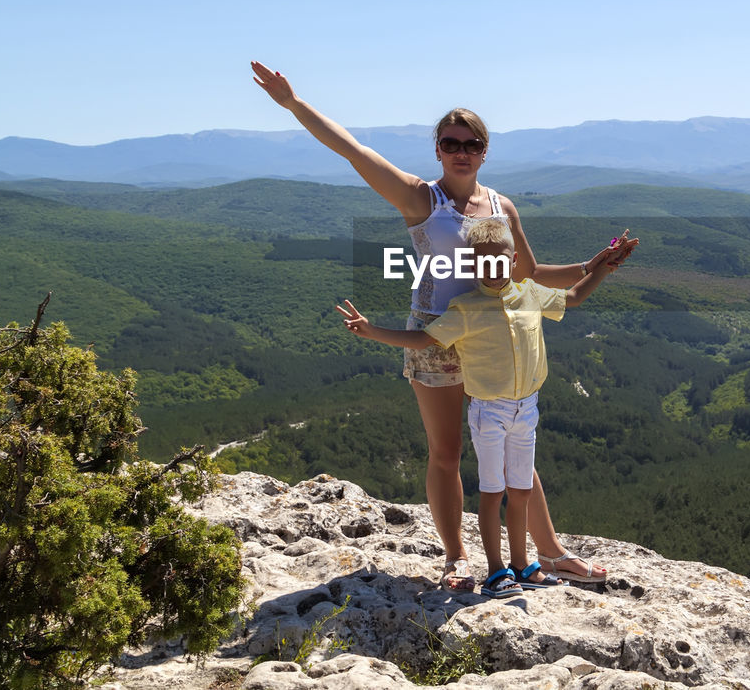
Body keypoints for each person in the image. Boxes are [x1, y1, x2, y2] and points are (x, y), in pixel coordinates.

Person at [251, 61, 637, 590]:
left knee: (512, 441)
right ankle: (457, 557)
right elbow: (353, 151)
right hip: (436, 333)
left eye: (471, 143)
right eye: (451, 142)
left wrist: (596, 265)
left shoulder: (502, 207)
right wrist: (294, 104)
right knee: (447, 452)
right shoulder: (420, 198)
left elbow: (527, 272)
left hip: (494, 332)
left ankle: (548, 552)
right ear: (437, 149)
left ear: (484, 151)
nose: (461, 151)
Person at [336, 217, 618, 597]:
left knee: (520, 490)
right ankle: (496, 570)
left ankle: (522, 565)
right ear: (472, 266)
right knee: (492, 490)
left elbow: (573, 297)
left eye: (500, 261)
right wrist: (373, 331)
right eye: (483, 263)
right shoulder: (465, 309)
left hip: (527, 410)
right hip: (490, 411)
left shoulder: (530, 294)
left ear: (513, 259)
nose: (493, 268)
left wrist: (601, 267)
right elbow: (422, 339)